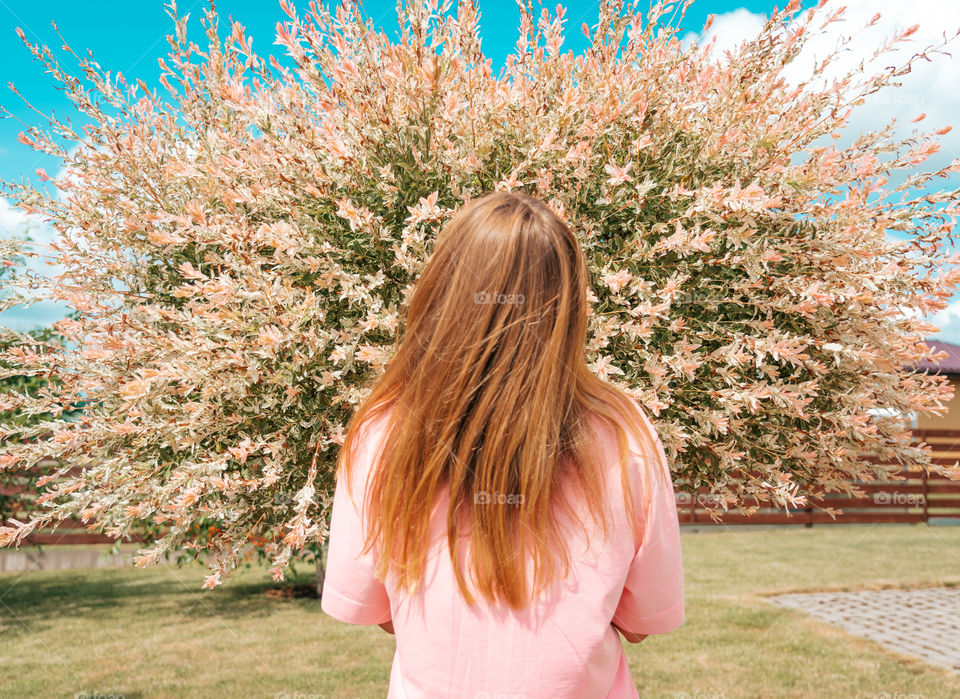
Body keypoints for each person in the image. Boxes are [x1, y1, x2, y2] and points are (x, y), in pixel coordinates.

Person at [321, 190, 685, 698]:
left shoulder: (382, 432)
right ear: (569, 306)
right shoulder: (625, 434)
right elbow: (644, 618)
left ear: (441, 292)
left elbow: (372, 608)